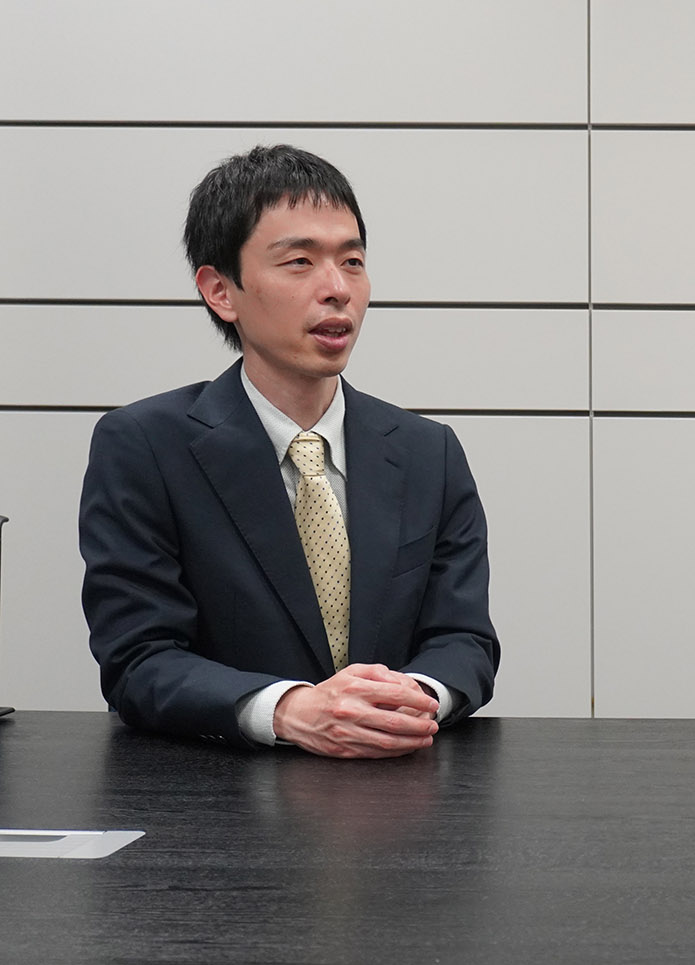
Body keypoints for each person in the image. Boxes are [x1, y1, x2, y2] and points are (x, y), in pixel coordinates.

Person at [80, 145, 499, 758]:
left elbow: (464, 640)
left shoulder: (427, 451)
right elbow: (138, 660)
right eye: (300, 262)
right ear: (221, 291)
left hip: (400, 786)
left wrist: (408, 699)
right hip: (221, 796)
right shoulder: (144, 446)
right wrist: (291, 710)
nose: (337, 289)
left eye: (352, 261)